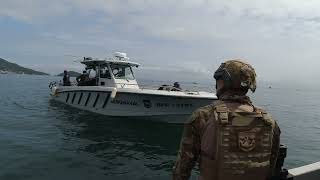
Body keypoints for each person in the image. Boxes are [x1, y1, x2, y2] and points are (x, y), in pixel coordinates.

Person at [172, 60, 281, 180]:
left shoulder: (203, 116)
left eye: (218, 80)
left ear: (224, 82)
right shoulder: (269, 121)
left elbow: (182, 169)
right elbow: (272, 167)